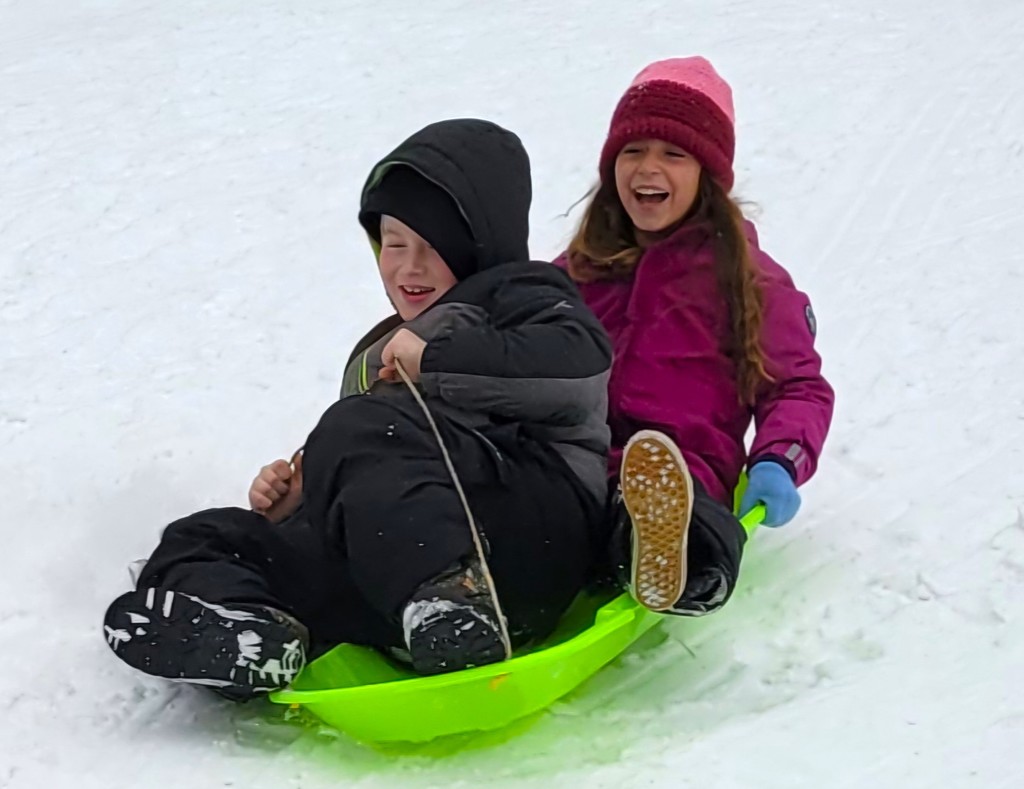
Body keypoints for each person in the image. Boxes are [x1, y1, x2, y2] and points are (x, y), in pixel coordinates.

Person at [102, 118, 612, 698]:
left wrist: (435, 359)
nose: (409, 267)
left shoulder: (526, 297)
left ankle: (451, 606)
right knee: (211, 534)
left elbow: (578, 365)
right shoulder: (374, 354)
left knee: (358, 431)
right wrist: (305, 500)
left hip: (525, 543)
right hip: (396, 579)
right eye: (394, 244)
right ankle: (250, 630)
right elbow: (376, 480)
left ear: (478, 244)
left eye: (431, 247)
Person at [555, 57, 835, 616]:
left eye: (673, 154)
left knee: (681, 518)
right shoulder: (579, 268)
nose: (646, 169)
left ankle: (676, 559)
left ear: (706, 172)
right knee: (527, 500)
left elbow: (797, 387)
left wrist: (779, 458)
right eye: (632, 152)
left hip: (683, 473)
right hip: (573, 463)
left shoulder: (748, 279)